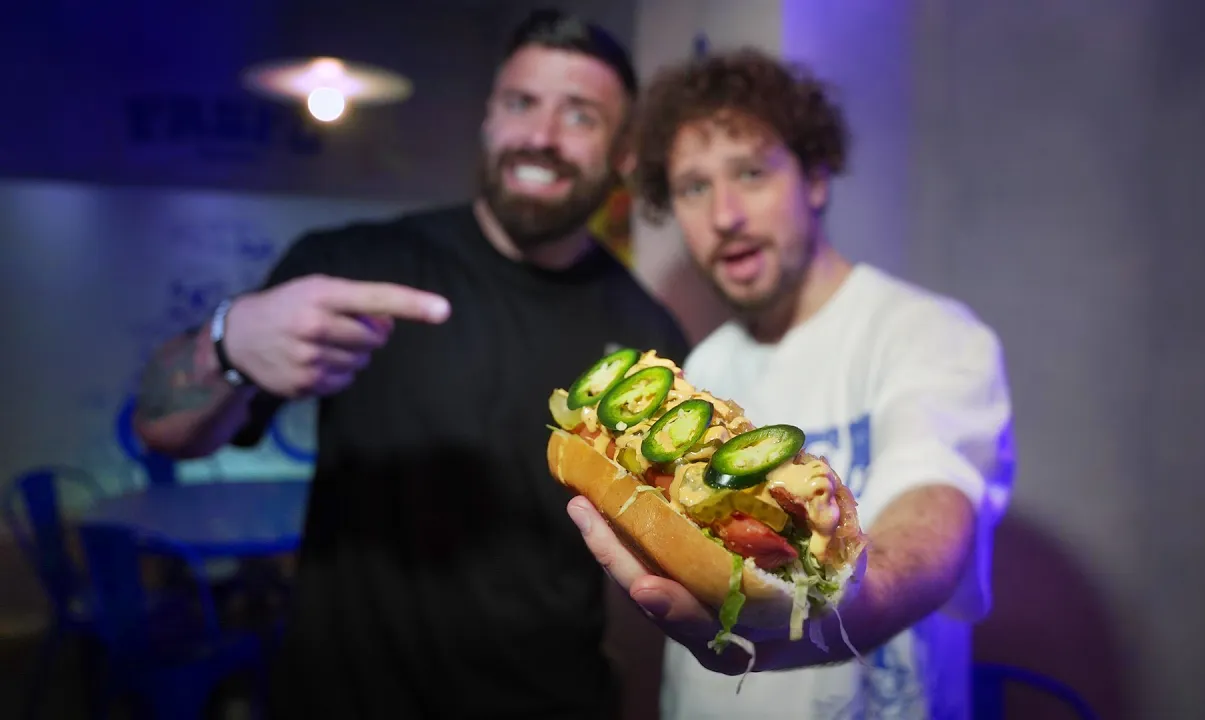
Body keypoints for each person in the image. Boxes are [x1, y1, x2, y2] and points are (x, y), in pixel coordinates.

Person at [131, 10, 689, 719]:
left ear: (624, 153)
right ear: (489, 118)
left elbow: (650, 574)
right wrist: (227, 343)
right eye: (521, 103)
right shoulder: (352, 266)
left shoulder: (648, 339)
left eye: (579, 115)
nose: (541, 136)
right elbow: (162, 428)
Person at [566, 48, 1016, 719]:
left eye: (751, 172)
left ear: (815, 177)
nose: (724, 214)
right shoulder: (701, 366)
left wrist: (838, 610)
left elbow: (933, 507)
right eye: (693, 187)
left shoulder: (930, 336)